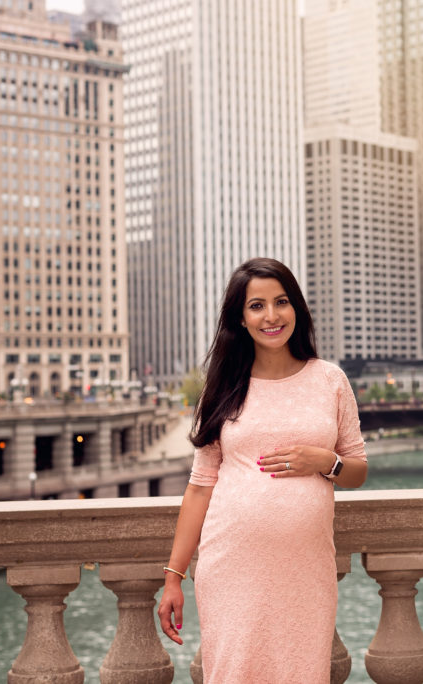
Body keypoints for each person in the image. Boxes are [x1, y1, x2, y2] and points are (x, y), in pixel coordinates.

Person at [157, 257, 368, 682]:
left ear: (297, 309)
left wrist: (325, 462)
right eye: (257, 305)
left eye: (281, 302)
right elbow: (200, 488)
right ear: (241, 317)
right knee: (235, 671)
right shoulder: (222, 387)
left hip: (305, 568)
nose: (271, 316)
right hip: (231, 564)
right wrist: (174, 577)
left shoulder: (330, 380)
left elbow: (358, 470)